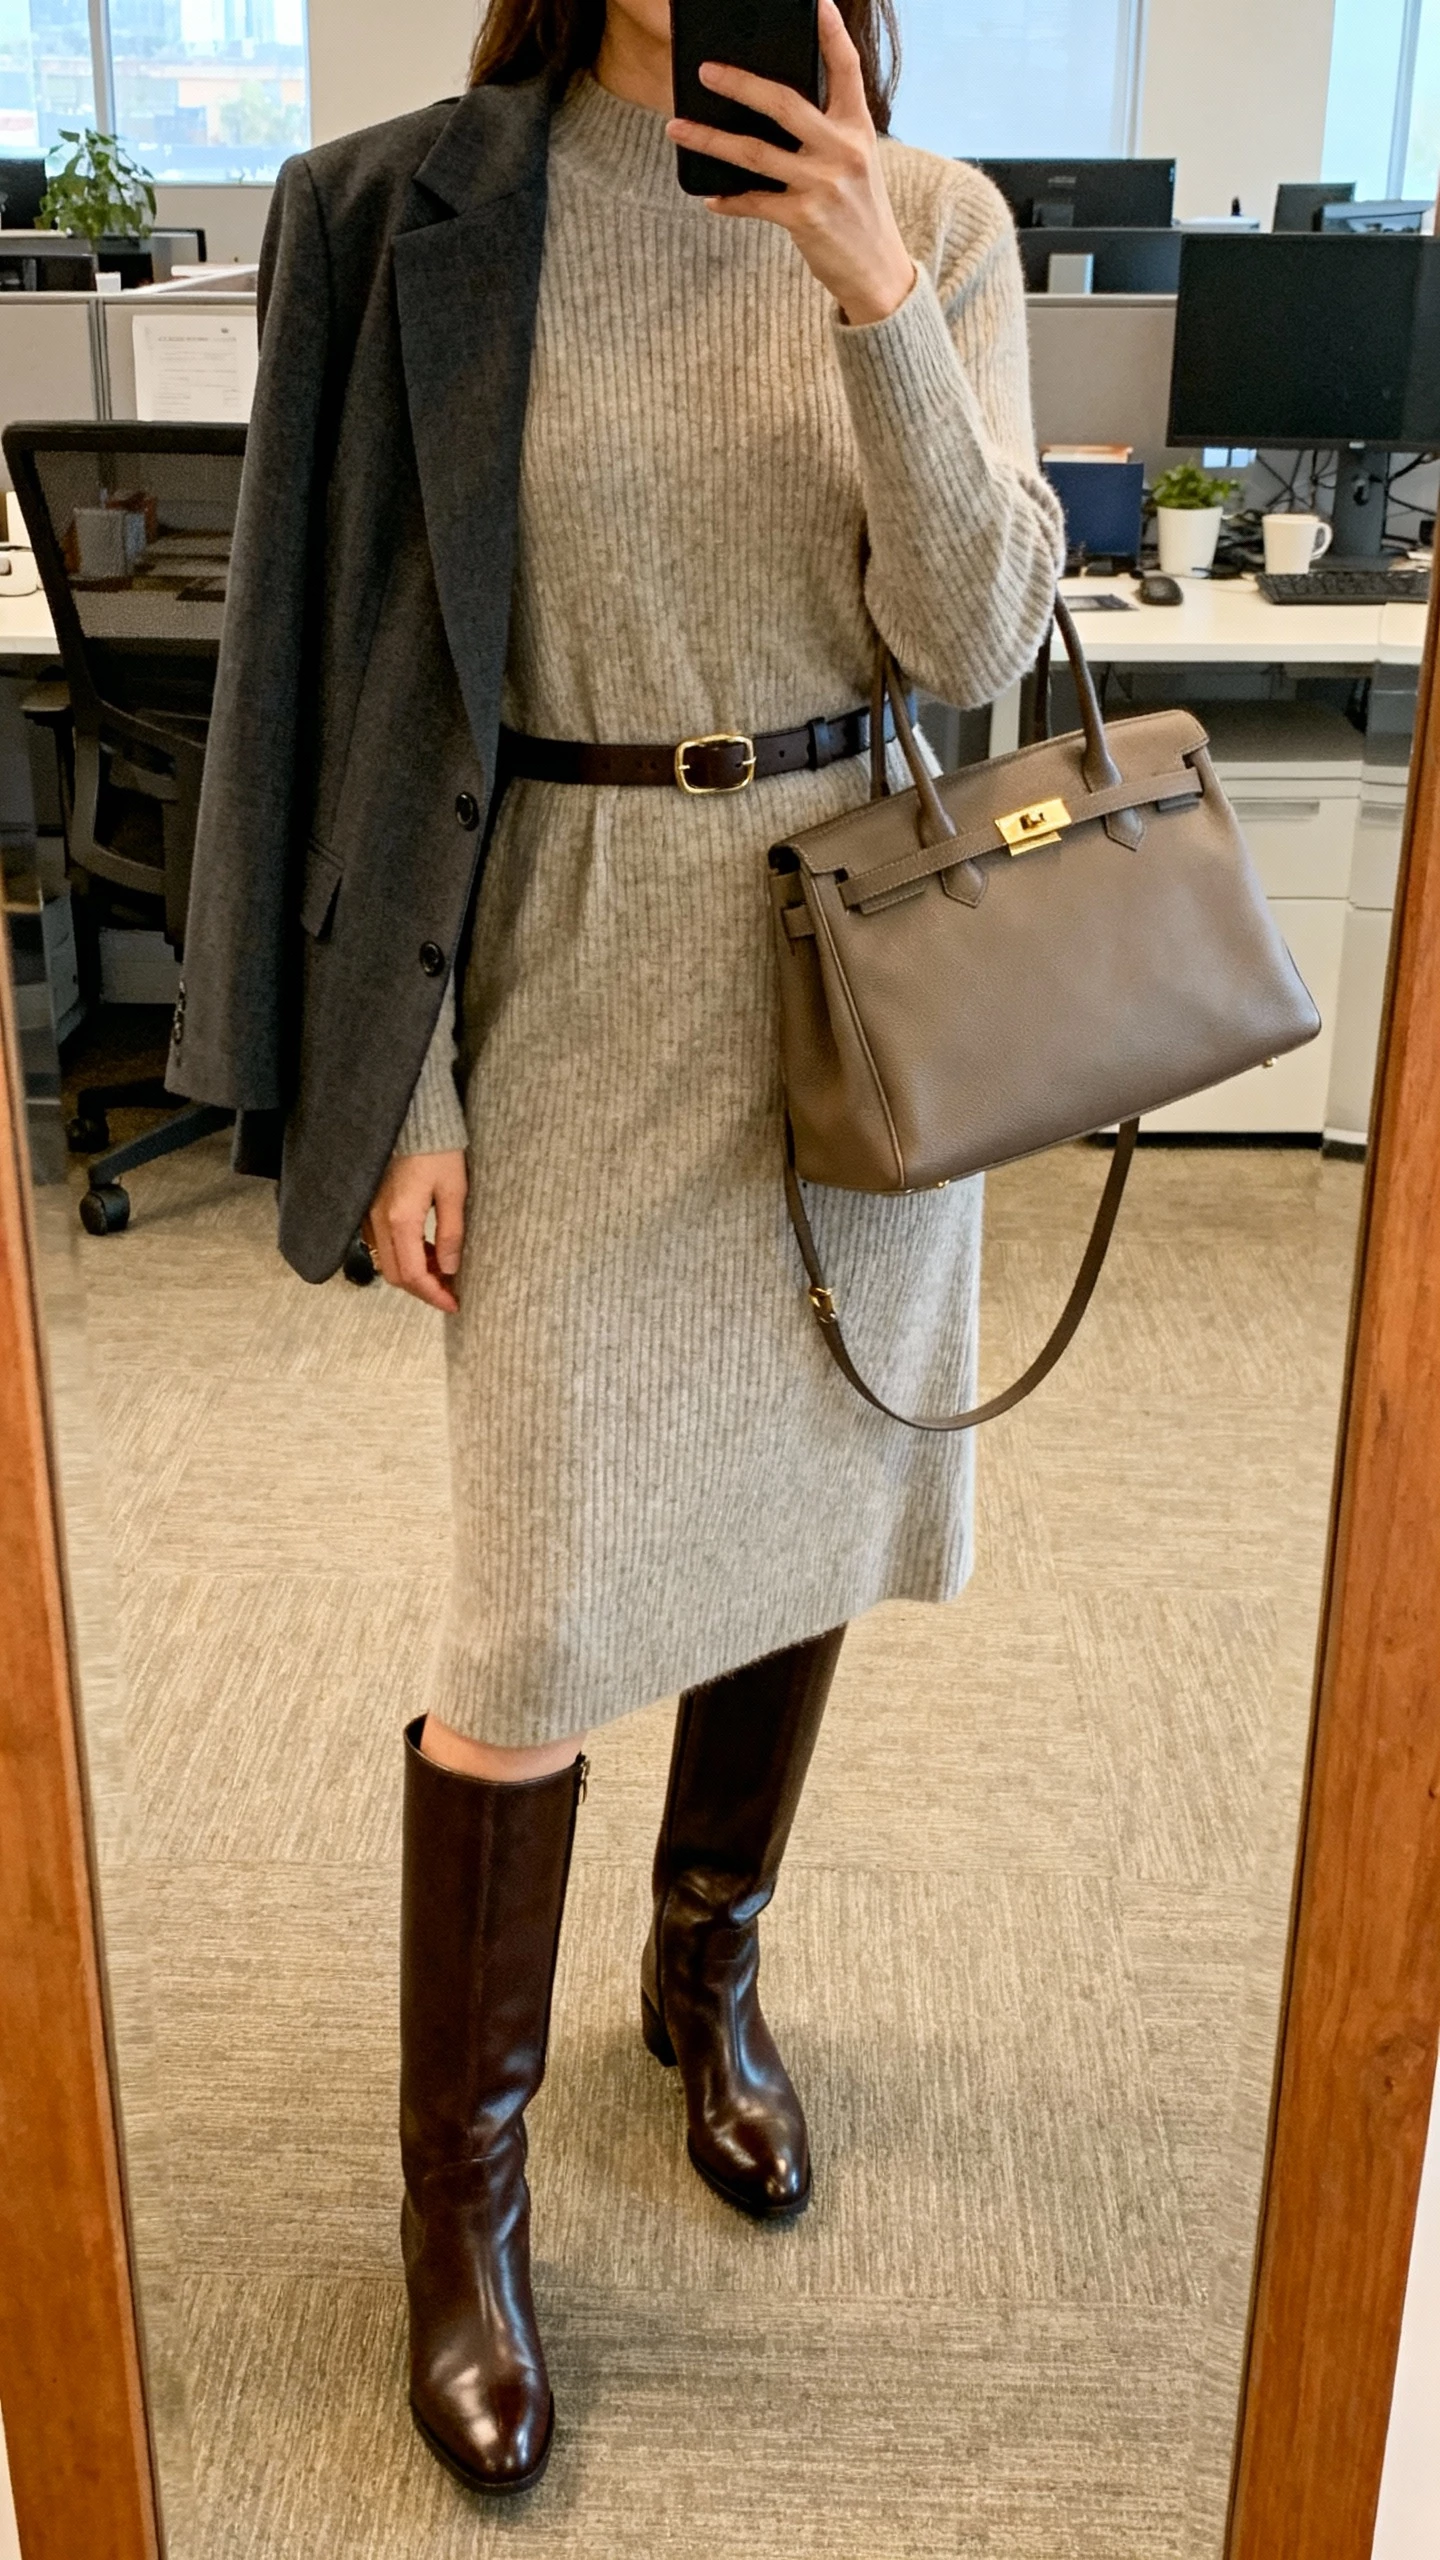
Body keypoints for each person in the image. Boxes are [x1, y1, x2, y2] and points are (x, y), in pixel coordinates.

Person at [168, 0, 1064, 2496]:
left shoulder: (948, 220)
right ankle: (462, 2197)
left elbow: (971, 640)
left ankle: (707, 1966)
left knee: (798, 1520)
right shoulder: (418, 207)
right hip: (555, 965)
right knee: (537, 1610)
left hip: (854, 965)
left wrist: (873, 283)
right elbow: (348, 657)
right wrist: (410, 1087)